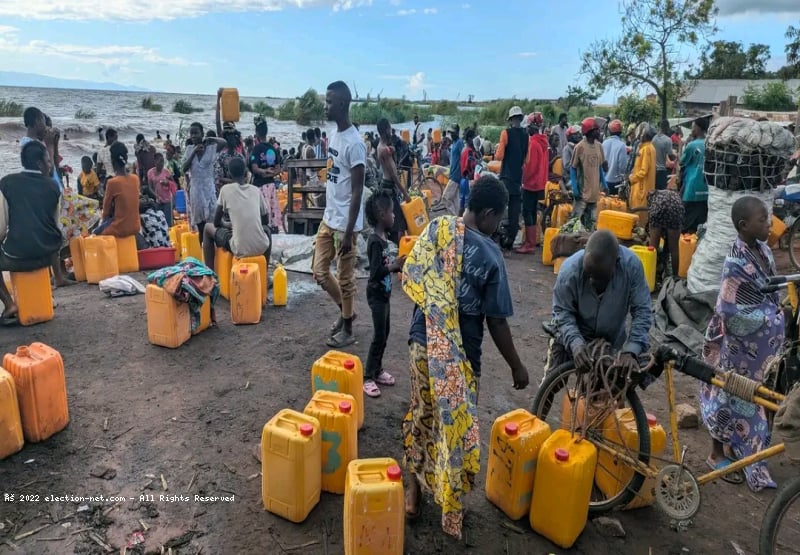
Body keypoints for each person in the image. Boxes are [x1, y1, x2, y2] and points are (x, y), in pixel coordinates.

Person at [402, 175, 529, 538]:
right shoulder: (490, 256)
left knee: (421, 414)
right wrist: (516, 365)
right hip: (460, 358)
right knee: (454, 431)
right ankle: (448, 500)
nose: (497, 228)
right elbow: (496, 321)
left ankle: (413, 493)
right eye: (499, 220)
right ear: (488, 214)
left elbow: (415, 275)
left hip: (421, 344)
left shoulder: (437, 228)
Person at [700, 196, 782, 491]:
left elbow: (768, 288)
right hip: (733, 345)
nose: (769, 223)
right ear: (744, 225)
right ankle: (716, 453)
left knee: (748, 398)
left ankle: (737, 445)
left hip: (755, 351)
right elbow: (729, 308)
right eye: (763, 219)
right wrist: (769, 318)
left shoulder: (763, 251)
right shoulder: (735, 262)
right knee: (725, 393)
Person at [547, 229, 652, 373]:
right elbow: (562, 312)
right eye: (589, 275)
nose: (593, 282)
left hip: (612, 339)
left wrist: (631, 350)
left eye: (600, 277)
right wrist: (576, 343)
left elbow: (642, 311)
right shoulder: (569, 271)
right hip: (573, 333)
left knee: (618, 383)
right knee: (553, 378)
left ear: (616, 262)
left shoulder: (632, 267)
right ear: (584, 252)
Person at [313, 81, 366, 348]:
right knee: (319, 271)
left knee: (345, 277)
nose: (326, 106)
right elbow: (336, 177)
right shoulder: (334, 135)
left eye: (330, 102)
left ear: (343, 104)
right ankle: (346, 311)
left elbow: (357, 191)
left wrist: (347, 233)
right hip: (329, 217)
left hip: (346, 224)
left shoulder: (355, 144)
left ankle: (347, 328)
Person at [0, 141, 66, 325]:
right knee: (49, 235)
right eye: (48, 160)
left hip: (19, 256)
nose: (50, 164)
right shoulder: (53, 187)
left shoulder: (7, 183)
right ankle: (48, 292)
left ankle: (9, 304)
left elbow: (1, 227)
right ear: (39, 164)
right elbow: (55, 225)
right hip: (47, 256)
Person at [363, 190, 405, 398]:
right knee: (379, 335)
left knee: (385, 333)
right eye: (391, 212)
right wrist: (394, 267)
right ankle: (368, 376)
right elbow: (375, 272)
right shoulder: (374, 242)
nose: (394, 215)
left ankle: (378, 370)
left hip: (384, 295)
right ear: (381, 215)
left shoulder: (384, 237)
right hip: (376, 295)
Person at [201, 157, 271, 272]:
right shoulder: (255, 190)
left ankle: (209, 273)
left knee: (207, 228)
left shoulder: (225, 190)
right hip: (261, 246)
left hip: (238, 248)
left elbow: (216, 222)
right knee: (267, 230)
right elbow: (265, 221)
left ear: (229, 173)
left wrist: (227, 224)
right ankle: (265, 273)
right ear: (245, 172)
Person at [182, 122, 227, 246]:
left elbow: (223, 142)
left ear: (202, 133)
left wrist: (210, 138)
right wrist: (194, 152)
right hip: (196, 190)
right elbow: (184, 168)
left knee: (212, 223)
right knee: (201, 225)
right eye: (191, 133)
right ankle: (203, 251)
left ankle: (214, 249)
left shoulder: (211, 148)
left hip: (208, 189)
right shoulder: (189, 150)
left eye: (196, 133)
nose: (193, 136)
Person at [495, 106, 529, 249]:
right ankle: (509, 241)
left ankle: (497, 237)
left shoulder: (505, 133)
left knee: (499, 209)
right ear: (520, 119)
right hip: (517, 179)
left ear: (510, 120)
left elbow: (499, 156)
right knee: (515, 213)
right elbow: (527, 160)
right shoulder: (526, 135)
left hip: (505, 178)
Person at [517, 114, 549, 254]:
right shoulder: (543, 143)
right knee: (533, 211)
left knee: (527, 211)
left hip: (531, 183)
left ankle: (529, 243)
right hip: (540, 182)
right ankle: (531, 240)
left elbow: (530, 166)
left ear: (532, 127)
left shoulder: (534, 144)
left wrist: (522, 179)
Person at [376, 119, 411, 244]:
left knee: (394, 221)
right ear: (386, 129)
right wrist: (405, 193)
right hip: (390, 187)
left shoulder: (383, 148)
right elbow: (393, 175)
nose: (391, 131)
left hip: (387, 186)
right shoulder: (384, 150)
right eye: (390, 128)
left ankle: (394, 248)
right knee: (398, 223)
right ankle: (395, 250)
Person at [96, 142, 141, 238]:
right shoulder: (135, 179)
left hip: (120, 229)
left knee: (95, 233)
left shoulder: (112, 183)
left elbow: (106, 212)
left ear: (112, 160)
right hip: (136, 226)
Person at [570, 117, 607, 230]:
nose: (599, 132)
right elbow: (573, 168)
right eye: (597, 130)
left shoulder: (599, 146)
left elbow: (599, 166)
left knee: (591, 225)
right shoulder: (580, 147)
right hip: (582, 193)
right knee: (575, 223)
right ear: (590, 131)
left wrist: (604, 183)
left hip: (594, 193)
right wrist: (575, 187)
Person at [250, 116, 285, 233]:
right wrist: (270, 173)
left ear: (256, 133)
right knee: (273, 213)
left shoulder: (256, 149)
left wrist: (263, 172)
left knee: (262, 216)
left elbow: (254, 168)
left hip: (260, 186)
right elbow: (279, 169)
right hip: (271, 185)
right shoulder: (272, 148)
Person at [680, 117, 709, 233]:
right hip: (706, 190)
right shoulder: (710, 144)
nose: (691, 129)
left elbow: (681, 163)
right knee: (700, 225)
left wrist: (680, 146)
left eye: (693, 127)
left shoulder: (692, 145)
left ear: (698, 128)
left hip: (691, 190)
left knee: (686, 225)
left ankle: (685, 249)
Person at [629, 124, 657, 216]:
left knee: (639, 213)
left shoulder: (646, 149)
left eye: (642, 134)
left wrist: (631, 179)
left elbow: (643, 171)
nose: (640, 135)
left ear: (647, 136)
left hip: (642, 187)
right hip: (643, 186)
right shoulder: (648, 148)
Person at [147, 152, 177, 227]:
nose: (162, 164)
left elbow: (174, 185)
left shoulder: (166, 172)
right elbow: (150, 187)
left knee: (168, 223)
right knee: (159, 222)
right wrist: (156, 196)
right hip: (158, 201)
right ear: (155, 162)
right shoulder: (150, 173)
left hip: (167, 200)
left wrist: (168, 183)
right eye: (160, 162)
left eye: (163, 161)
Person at [602, 119, 629, 196]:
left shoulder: (604, 143)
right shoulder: (621, 145)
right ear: (620, 132)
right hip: (616, 183)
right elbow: (623, 167)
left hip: (604, 181)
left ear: (609, 132)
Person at [653, 119, 676, 190]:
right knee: (662, 193)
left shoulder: (653, 138)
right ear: (667, 127)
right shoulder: (668, 140)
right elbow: (671, 156)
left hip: (653, 171)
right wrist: (676, 155)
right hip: (661, 171)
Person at [561, 125, 582, 193]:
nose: (579, 135)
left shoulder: (579, 147)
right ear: (570, 136)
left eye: (579, 133)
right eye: (575, 134)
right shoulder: (567, 148)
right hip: (570, 179)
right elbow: (567, 166)